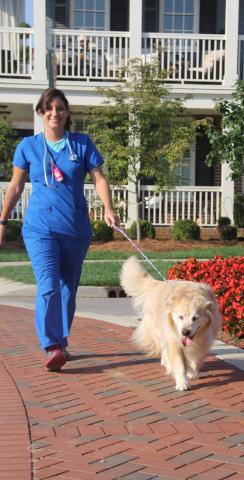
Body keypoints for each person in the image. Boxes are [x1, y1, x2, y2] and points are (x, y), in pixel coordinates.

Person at [0, 88, 120, 371]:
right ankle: (52, 344)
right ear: (41, 113)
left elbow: (99, 178)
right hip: (40, 227)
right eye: (49, 108)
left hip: (76, 227)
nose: (55, 113)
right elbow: (16, 186)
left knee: (68, 290)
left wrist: (109, 208)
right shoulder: (28, 146)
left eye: (60, 108)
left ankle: (61, 341)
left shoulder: (81, 144)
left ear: (67, 113)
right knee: (49, 286)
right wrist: (2, 221)